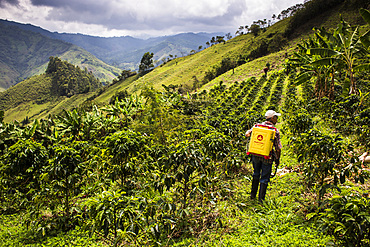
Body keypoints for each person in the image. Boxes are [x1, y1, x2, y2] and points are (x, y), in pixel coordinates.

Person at [245, 110, 282, 202]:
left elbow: (247, 133)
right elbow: (278, 148)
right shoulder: (274, 131)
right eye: (276, 117)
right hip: (267, 157)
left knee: (256, 173)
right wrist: (277, 159)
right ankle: (261, 200)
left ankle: (252, 195)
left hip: (255, 155)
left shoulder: (257, 126)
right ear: (272, 118)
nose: (277, 119)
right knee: (265, 178)